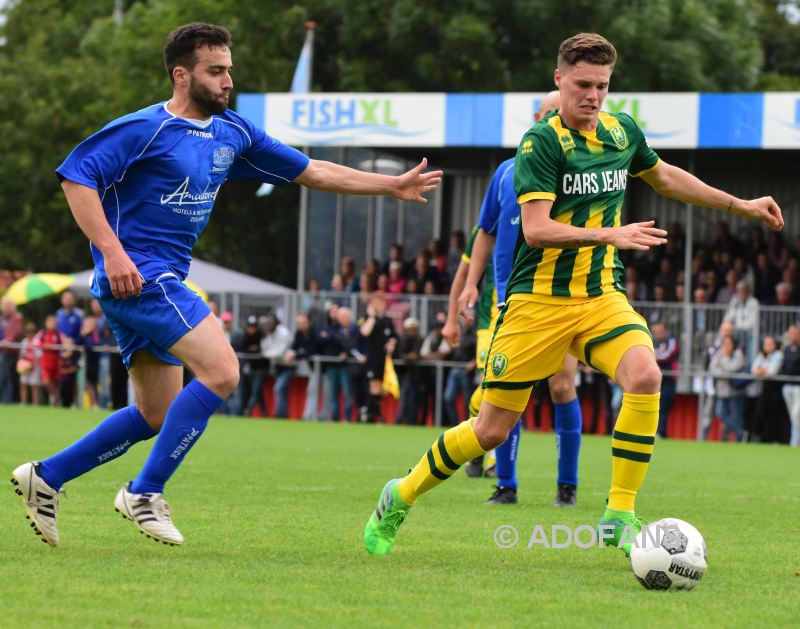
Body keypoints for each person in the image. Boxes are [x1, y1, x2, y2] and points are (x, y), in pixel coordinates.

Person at [11, 22, 441, 548]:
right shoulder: (143, 129)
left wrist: (390, 185)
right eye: (215, 71)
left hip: (150, 282)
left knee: (155, 414)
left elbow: (313, 170)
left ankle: (47, 476)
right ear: (181, 74)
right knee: (222, 371)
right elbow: (76, 177)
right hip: (143, 275)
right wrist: (114, 252)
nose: (227, 80)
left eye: (229, 70)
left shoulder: (232, 133)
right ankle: (144, 492)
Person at [363, 32, 783, 556]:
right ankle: (398, 495)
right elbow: (536, 229)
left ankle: (619, 514)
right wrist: (611, 233)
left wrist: (740, 204)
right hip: (535, 304)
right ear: (559, 79)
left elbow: (666, 177)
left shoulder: (620, 130)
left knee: (645, 375)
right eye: (583, 84)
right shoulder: (539, 144)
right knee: (490, 430)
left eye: (602, 86)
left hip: (600, 294)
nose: (593, 95)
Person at [448, 90, 586, 508]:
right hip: (512, 303)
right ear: (536, 117)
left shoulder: (578, 171)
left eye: (555, 113)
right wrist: (472, 283)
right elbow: (486, 231)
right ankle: (505, 484)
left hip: (562, 299)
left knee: (562, 386)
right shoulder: (507, 172)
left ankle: (567, 484)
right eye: (545, 114)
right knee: (507, 395)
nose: (550, 121)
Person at [359, 292, 397, 423]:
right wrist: (372, 317)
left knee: (381, 390)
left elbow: (393, 336)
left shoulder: (387, 321)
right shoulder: (368, 318)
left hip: (384, 360)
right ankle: (376, 416)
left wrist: (391, 343)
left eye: (381, 303)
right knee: (374, 387)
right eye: (376, 303)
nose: (378, 305)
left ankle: (368, 412)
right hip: (372, 359)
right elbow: (364, 332)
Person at [280, 313, 320, 419]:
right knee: (311, 390)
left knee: (325, 393)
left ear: (309, 322)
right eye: (299, 323)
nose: (301, 325)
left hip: (323, 367)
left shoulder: (316, 333)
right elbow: (295, 347)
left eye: (303, 323)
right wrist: (290, 353)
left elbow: (313, 350)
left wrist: (296, 354)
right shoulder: (299, 333)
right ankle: (309, 415)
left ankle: (313, 416)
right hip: (313, 368)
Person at [709, 335, 746, 442]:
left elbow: (733, 369)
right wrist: (723, 373)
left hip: (735, 391)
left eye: (728, 344)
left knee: (736, 416)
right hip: (722, 391)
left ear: (733, 345)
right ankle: (741, 432)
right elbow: (712, 368)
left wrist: (724, 360)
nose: (726, 346)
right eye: (724, 344)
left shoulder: (738, 354)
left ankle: (739, 439)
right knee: (720, 413)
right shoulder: (719, 353)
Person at [750, 335, 785, 443]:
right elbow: (753, 369)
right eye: (766, 344)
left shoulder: (778, 355)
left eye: (770, 344)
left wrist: (761, 370)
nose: (767, 346)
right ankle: (761, 438)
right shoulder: (761, 355)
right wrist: (762, 371)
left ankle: (774, 439)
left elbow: (771, 372)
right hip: (765, 388)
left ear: (774, 345)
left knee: (773, 416)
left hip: (776, 389)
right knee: (760, 414)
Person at [651, 322, 679, 438]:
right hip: (653, 381)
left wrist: (653, 357)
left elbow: (667, 355)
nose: (659, 334)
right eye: (656, 332)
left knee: (663, 407)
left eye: (661, 331)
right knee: (653, 407)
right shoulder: (651, 341)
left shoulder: (671, 342)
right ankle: (656, 432)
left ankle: (661, 432)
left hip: (667, 381)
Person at [33, 315, 65, 407]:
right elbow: (35, 342)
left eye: (54, 322)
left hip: (56, 362)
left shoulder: (59, 334)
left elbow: (65, 344)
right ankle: (55, 396)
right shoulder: (42, 333)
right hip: (45, 362)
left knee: (55, 382)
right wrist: (44, 345)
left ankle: (56, 401)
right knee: (46, 382)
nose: (52, 324)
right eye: (50, 322)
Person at [779, 324, 800, 447]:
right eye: (790, 333)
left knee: (795, 414)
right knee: (793, 416)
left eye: (795, 333)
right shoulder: (787, 349)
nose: (792, 336)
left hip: (798, 387)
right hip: (787, 386)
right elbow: (784, 367)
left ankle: (794, 442)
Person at [0, 297, 24, 403]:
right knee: (4, 375)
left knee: (6, 375)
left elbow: (15, 333)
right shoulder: (1, 318)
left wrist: (7, 341)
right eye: (4, 305)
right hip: (2, 350)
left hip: (10, 351)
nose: (6, 307)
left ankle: (8, 399)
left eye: (8, 305)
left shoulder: (17, 318)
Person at [17, 322, 41, 406]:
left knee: (34, 385)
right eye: (27, 332)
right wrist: (20, 363)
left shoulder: (37, 342)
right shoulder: (24, 342)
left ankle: (35, 403)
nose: (29, 334)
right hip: (25, 365)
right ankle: (23, 402)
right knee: (23, 384)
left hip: (34, 366)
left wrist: (32, 364)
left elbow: (39, 356)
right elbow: (22, 354)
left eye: (31, 332)